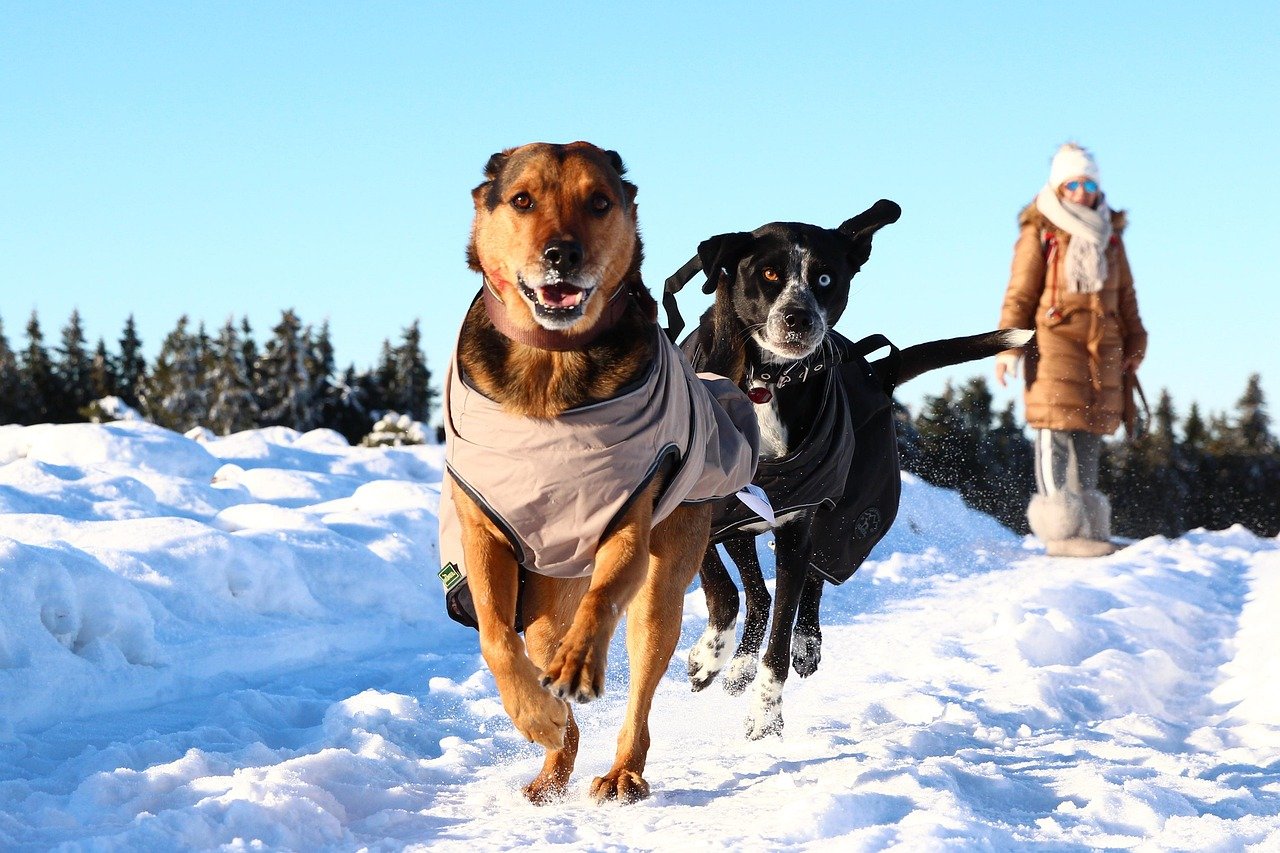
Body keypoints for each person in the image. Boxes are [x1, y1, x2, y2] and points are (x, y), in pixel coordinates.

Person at [995, 143, 1147, 557]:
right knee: (1055, 432)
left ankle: (1089, 530)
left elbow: (1127, 296)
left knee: (1089, 435)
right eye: (1073, 183)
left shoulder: (1110, 236)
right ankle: (1061, 532)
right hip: (1054, 344)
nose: (1082, 191)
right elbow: (1020, 293)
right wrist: (1008, 346)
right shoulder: (1040, 231)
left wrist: (1135, 341)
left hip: (1104, 349)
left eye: (1089, 183)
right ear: (1059, 187)